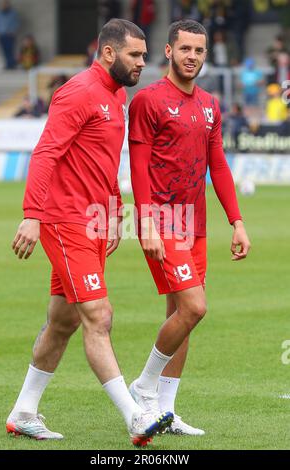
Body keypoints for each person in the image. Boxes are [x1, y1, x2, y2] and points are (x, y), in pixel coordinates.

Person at [6, 18, 173, 447]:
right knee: (99, 316)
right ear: (109, 53)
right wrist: (32, 213)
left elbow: (101, 161)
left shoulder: (116, 96)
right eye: (135, 55)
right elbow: (46, 152)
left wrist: (114, 210)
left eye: (143, 55)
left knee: (61, 322)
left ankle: (24, 411)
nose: (142, 63)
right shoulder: (78, 91)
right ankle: (136, 416)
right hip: (65, 222)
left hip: (93, 221)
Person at [128, 19, 251, 435]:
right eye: (185, 49)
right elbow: (139, 166)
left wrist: (236, 222)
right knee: (196, 307)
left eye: (199, 51)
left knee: (183, 314)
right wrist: (144, 221)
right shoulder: (148, 101)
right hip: (163, 221)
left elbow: (218, 166)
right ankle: (143, 387)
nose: (193, 56)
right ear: (168, 51)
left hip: (196, 223)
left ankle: (165, 410)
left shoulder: (210, 105)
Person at [0, 0, 19, 69]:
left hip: (9, 35)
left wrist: (12, 31)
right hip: (1, 34)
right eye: (3, 5)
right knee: (4, 50)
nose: (4, 6)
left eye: (6, 4)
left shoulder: (13, 13)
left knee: (10, 50)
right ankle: (7, 64)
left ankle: (12, 64)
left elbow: (16, 23)